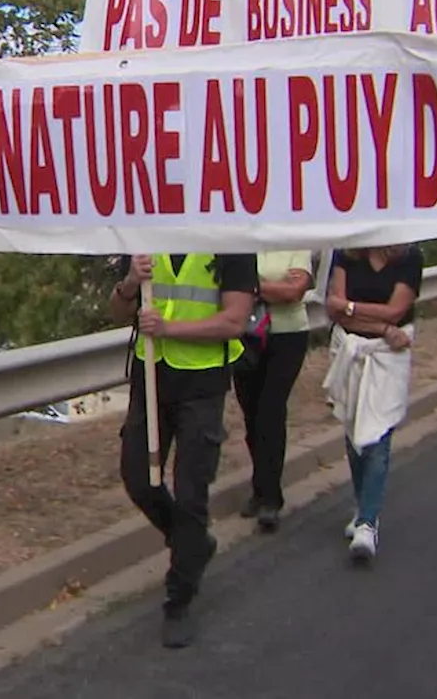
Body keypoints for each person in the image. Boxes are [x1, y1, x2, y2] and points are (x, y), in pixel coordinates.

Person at [110, 251, 256, 648]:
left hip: (201, 385)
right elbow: (118, 311)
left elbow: (234, 321)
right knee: (138, 478)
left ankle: (179, 599)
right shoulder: (146, 236)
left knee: (192, 494)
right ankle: (193, 543)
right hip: (151, 377)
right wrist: (128, 283)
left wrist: (169, 328)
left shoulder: (229, 242)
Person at [324, 245, 422, 563]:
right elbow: (332, 306)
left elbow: (396, 311)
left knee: (377, 435)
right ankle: (364, 506)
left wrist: (350, 308)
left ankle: (368, 523)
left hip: (387, 356)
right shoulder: (345, 253)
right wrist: (380, 325)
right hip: (350, 349)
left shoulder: (409, 257)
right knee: (354, 433)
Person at [234, 251, 313, 532]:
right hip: (247, 335)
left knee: (271, 411)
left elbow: (295, 292)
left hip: (288, 336)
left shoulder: (294, 244)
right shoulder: (244, 243)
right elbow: (228, 286)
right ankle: (260, 487)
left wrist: (252, 286)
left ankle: (271, 498)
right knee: (252, 415)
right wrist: (269, 287)